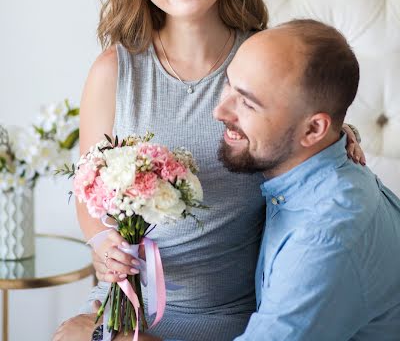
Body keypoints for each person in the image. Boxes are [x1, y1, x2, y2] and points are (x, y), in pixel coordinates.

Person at [53, 0, 363, 341]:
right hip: (125, 305)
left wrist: (342, 134)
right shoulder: (112, 72)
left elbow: (306, 136)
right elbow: (88, 191)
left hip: (224, 315)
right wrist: (100, 240)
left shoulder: (265, 62)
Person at [135, 19, 400, 341]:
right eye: (228, 84)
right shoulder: (317, 164)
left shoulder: (324, 236)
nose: (220, 111)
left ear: (313, 130)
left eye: (247, 102)